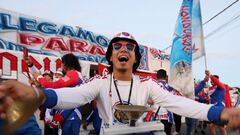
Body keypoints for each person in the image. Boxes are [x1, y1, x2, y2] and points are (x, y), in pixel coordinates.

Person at [1, 32, 240, 135]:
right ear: (111, 55)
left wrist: (220, 113)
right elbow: (74, 96)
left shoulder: (148, 83)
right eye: (117, 46)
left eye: (129, 47)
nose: (123, 49)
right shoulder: (100, 81)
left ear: (135, 57)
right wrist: (38, 95)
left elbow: (179, 103)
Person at [32, 53, 84, 135]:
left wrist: (39, 77)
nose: (61, 66)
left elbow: (54, 85)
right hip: (69, 113)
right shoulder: (76, 75)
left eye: (62, 64)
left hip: (72, 115)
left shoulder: (73, 73)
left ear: (66, 63)